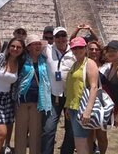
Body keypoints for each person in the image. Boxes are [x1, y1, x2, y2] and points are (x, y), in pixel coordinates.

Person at [14, 34, 51, 154]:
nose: (37, 46)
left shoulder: (44, 61)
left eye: (39, 44)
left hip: (38, 102)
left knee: (35, 134)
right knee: (21, 133)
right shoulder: (22, 60)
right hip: (22, 101)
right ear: (28, 47)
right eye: (34, 44)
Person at [41, 26, 76, 154]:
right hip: (53, 95)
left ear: (67, 37)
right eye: (57, 36)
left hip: (70, 97)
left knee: (71, 130)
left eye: (63, 36)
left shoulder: (74, 52)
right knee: (48, 129)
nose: (61, 39)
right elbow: (31, 44)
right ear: (53, 38)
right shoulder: (47, 49)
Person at [65, 37, 99, 153]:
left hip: (82, 107)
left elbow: (94, 87)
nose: (77, 50)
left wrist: (88, 110)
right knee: (80, 142)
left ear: (85, 48)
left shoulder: (89, 63)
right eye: (74, 48)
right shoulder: (75, 64)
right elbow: (72, 87)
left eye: (80, 47)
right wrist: (68, 107)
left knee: (81, 144)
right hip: (74, 107)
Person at [86, 41, 108, 154]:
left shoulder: (107, 66)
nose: (94, 51)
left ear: (101, 51)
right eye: (91, 49)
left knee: (101, 134)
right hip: (87, 102)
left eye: (97, 49)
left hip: (102, 103)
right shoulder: (83, 64)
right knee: (89, 134)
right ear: (87, 50)